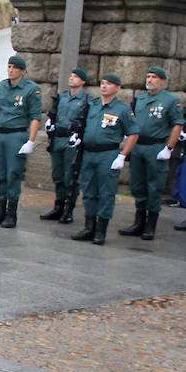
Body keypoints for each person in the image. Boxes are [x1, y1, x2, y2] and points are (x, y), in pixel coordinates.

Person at [71, 72, 138, 245]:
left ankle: (101, 230)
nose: (104, 86)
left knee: (106, 192)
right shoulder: (92, 105)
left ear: (117, 88)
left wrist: (122, 156)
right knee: (88, 191)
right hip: (89, 153)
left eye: (109, 83)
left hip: (107, 154)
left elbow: (133, 133)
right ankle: (89, 226)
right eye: (102, 83)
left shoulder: (122, 109)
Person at [120, 66, 183, 240]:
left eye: (154, 77)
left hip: (156, 147)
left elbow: (177, 124)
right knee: (138, 186)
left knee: (154, 187)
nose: (149, 80)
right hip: (139, 146)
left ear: (162, 81)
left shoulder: (170, 100)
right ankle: (139, 222)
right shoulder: (140, 99)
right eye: (148, 77)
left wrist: (169, 147)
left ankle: (150, 225)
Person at [0, 55, 42, 229]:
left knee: (13, 173)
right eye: (9, 66)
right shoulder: (2, 87)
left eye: (15, 67)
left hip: (16, 134)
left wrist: (31, 140)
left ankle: (11, 213)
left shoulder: (31, 89)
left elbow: (35, 117)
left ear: (22, 70)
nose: (11, 70)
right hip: (0, 134)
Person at [41, 67, 91, 222]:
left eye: (75, 76)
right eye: (71, 75)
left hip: (72, 141)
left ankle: (68, 210)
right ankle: (58, 206)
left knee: (71, 176)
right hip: (58, 139)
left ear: (83, 81)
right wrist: (50, 124)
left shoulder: (87, 100)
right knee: (58, 175)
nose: (71, 78)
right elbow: (54, 115)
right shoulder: (62, 98)